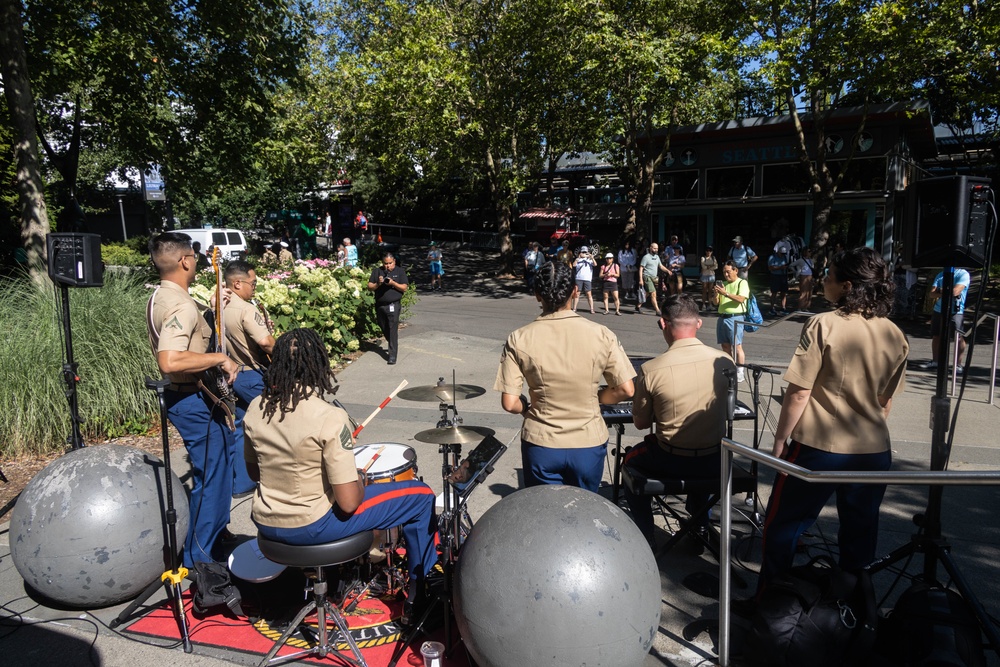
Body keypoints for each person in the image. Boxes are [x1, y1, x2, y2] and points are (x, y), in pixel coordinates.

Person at [243, 328, 437, 624]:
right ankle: (418, 594)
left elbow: (254, 472)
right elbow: (348, 503)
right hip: (312, 526)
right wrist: (356, 478)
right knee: (421, 496)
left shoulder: (256, 408)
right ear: (318, 365)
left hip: (267, 523)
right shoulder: (328, 417)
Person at [759, 247, 908, 594]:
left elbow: (799, 392)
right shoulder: (895, 334)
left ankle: (771, 598)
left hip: (819, 445)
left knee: (785, 524)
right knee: (860, 533)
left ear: (847, 285)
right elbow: (885, 402)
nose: (824, 281)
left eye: (829, 276)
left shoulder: (824, 323)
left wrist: (781, 440)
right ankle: (851, 607)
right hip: (872, 448)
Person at [494, 260, 635, 492]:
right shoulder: (601, 334)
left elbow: (510, 403)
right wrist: (598, 397)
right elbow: (626, 389)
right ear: (575, 291)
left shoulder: (519, 338)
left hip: (542, 441)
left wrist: (527, 409)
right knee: (584, 511)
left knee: (545, 514)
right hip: (588, 441)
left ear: (537, 295)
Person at [147, 232, 240, 566]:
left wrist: (213, 311)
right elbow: (170, 360)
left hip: (189, 396)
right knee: (212, 479)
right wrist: (219, 360)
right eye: (195, 257)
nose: (198, 262)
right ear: (185, 261)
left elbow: (189, 342)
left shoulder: (160, 296)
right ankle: (201, 560)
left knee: (218, 469)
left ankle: (216, 536)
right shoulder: (180, 304)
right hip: (192, 399)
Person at [623, 295, 735, 544]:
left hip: (670, 460)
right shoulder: (726, 362)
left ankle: (645, 536)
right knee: (706, 452)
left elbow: (641, 423)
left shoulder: (652, 369)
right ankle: (700, 525)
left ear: (663, 324)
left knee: (629, 464)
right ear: (699, 323)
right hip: (714, 459)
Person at [223, 260, 277, 497]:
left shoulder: (219, 307)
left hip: (234, 376)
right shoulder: (246, 309)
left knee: (241, 428)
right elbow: (265, 342)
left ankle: (241, 483)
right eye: (252, 283)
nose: (254, 287)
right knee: (275, 422)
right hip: (252, 374)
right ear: (237, 283)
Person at [921, 267, 971, 374]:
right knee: (936, 335)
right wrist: (947, 290)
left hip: (956, 311)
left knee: (958, 337)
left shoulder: (963, 274)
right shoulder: (940, 274)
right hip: (939, 309)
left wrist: (941, 290)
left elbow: (956, 291)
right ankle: (935, 361)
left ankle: (958, 365)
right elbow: (932, 293)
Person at [367, 251, 408, 365]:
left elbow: (404, 288)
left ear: (394, 261)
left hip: (393, 305)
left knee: (392, 328)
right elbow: (369, 286)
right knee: (383, 325)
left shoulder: (399, 271)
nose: (388, 266)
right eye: (386, 263)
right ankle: (392, 342)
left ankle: (392, 355)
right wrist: (378, 284)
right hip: (380, 305)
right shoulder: (377, 271)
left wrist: (393, 283)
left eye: (390, 263)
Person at [714, 260, 750, 383]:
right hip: (722, 317)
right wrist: (716, 294)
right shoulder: (723, 284)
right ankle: (730, 367)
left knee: (737, 346)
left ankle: (740, 371)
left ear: (736, 270)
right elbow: (716, 302)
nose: (726, 275)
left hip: (735, 317)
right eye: (724, 272)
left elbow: (740, 299)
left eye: (728, 272)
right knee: (725, 345)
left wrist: (725, 293)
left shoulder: (742, 283)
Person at [637, 242, 668, 316]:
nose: (656, 250)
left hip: (654, 278)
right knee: (653, 293)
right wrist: (641, 279)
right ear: (650, 248)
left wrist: (668, 271)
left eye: (657, 248)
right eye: (654, 248)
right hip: (647, 277)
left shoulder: (657, 257)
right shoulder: (646, 257)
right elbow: (641, 268)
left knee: (647, 293)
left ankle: (638, 305)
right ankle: (657, 311)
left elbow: (660, 266)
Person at [572, 245, 597, 314]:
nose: (584, 253)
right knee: (577, 294)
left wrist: (591, 257)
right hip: (579, 278)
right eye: (583, 252)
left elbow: (595, 264)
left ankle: (592, 309)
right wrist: (578, 258)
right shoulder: (578, 259)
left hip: (587, 279)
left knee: (589, 294)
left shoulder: (589, 259)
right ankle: (574, 308)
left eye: (585, 252)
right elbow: (574, 265)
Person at [767, 246, 789, 315]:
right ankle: (772, 308)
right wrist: (780, 267)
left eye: (784, 254)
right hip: (775, 276)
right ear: (778, 252)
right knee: (774, 292)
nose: (782, 255)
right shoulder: (772, 257)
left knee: (784, 292)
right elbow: (770, 268)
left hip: (783, 275)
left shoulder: (784, 257)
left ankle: (783, 307)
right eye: (781, 253)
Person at [792, 247, 815, 311]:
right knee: (803, 292)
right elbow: (791, 265)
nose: (810, 253)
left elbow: (812, 269)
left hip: (810, 276)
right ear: (805, 252)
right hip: (803, 276)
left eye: (810, 251)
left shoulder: (811, 260)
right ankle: (800, 307)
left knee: (809, 292)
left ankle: (806, 307)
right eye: (808, 251)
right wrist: (796, 271)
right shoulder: (801, 260)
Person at [699, 246, 718, 311]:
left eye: (710, 251)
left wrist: (708, 267)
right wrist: (710, 267)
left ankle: (710, 304)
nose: (708, 252)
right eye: (707, 250)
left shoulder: (713, 258)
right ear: (705, 251)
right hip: (704, 275)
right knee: (704, 290)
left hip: (711, 275)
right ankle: (703, 304)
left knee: (710, 291)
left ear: (712, 252)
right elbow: (703, 266)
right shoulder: (703, 258)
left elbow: (716, 266)